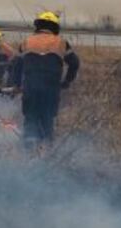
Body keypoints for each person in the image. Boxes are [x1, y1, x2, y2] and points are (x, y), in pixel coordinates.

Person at [9, 11, 80, 147]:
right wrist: (66, 82)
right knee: (47, 120)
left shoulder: (27, 42)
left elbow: (16, 65)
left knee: (30, 119)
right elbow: (75, 63)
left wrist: (17, 85)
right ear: (55, 27)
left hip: (30, 89)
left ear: (38, 26)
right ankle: (48, 151)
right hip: (51, 89)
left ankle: (28, 151)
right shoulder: (61, 43)